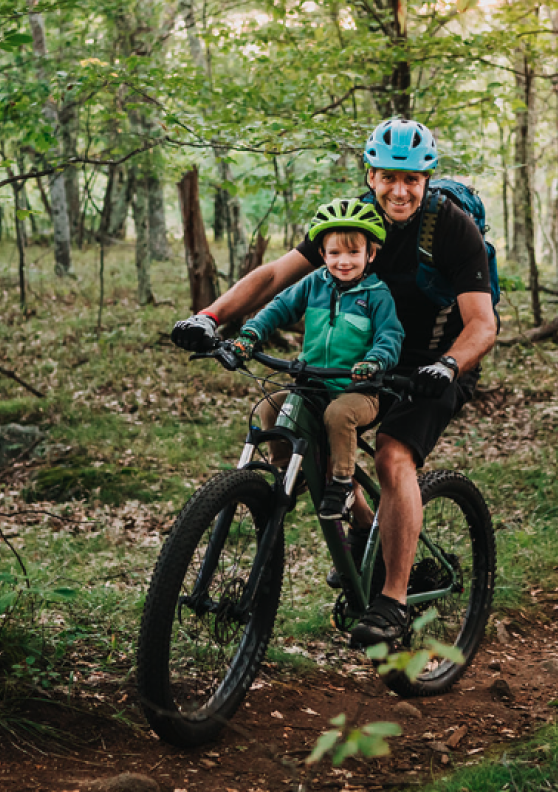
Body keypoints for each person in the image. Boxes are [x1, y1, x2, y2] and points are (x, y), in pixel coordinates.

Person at [172, 117, 498, 647]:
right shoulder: (349, 221)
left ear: (427, 179)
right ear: (370, 175)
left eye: (412, 179)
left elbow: (482, 325)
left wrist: (447, 366)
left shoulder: (453, 228)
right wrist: (211, 316)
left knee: (393, 455)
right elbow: (279, 275)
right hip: (356, 355)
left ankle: (392, 601)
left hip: (434, 361)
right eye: (389, 176)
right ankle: (365, 523)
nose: (400, 189)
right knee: (280, 417)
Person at [232, 199, 403, 521]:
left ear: (371, 254)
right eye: (335, 253)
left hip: (359, 391)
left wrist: (375, 361)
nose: (344, 261)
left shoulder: (377, 295)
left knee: (339, 415)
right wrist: (251, 335)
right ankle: (286, 472)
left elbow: (390, 337)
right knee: (272, 405)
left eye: (354, 253)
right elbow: (278, 308)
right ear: (322, 255)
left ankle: (341, 483)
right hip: (311, 386)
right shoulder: (313, 284)